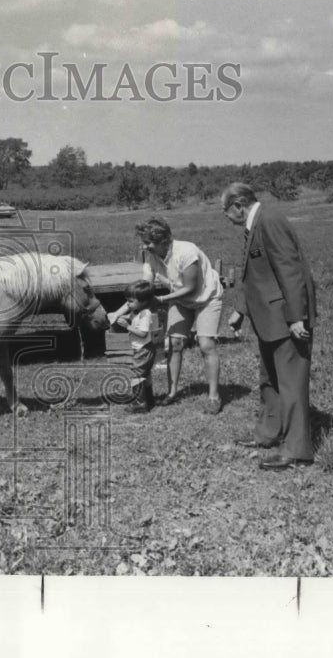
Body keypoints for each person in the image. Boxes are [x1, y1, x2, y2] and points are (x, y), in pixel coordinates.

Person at [220, 182, 317, 470]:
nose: (225, 217)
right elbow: (254, 274)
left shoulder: (270, 220)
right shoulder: (254, 225)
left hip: (285, 318)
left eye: (225, 211)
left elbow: (290, 269)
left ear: (238, 205)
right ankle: (269, 433)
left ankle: (297, 449)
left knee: (291, 385)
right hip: (268, 317)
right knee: (270, 380)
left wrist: (297, 316)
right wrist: (240, 310)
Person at [109, 217, 224, 413]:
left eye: (148, 243)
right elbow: (143, 290)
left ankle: (214, 397)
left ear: (164, 240)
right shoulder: (151, 256)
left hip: (207, 297)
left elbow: (191, 287)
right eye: (143, 242)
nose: (145, 247)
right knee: (174, 344)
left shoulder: (186, 252)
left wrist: (161, 301)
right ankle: (172, 393)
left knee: (206, 345)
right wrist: (117, 313)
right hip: (181, 299)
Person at [113, 280, 158, 413]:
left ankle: (139, 404)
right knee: (145, 374)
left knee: (136, 376)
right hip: (143, 349)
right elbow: (134, 320)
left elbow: (143, 333)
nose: (127, 304)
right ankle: (149, 400)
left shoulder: (145, 314)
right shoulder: (137, 311)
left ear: (143, 301)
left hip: (143, 349)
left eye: (131, 301)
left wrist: (128, 327)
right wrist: (125, 319)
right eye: (127, 300)